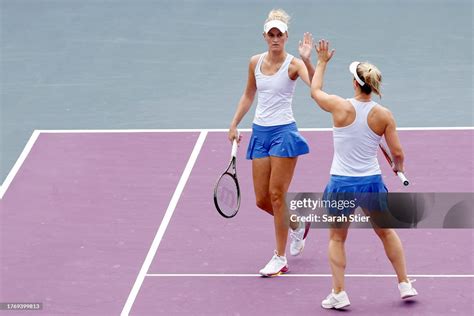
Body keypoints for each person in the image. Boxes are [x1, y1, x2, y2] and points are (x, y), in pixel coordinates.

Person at [304, 38, 418, 308]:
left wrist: (320, 62)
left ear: (355, 83)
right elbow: (398, 153)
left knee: (336, 238)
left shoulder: (338, 106)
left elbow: (315, 90)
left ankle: (339, 293)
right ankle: (404, 284)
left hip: (342, 183)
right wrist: (397, 167)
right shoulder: (384, 115)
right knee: (387, 233)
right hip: (371, 184)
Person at [228, 9, 314, 277]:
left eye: (280, 34)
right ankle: (297, 225)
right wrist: (234, 124)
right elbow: (248, 95)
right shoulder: (254, 62)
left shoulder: (294, 64)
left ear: (286, 36)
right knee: (263, 200)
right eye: (271, 34)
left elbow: (316, 88)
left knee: (277, 196)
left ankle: (280, 257)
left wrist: (308, 61)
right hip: (260, 134)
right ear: (265, 36)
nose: (275, 38)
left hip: (284, 134)